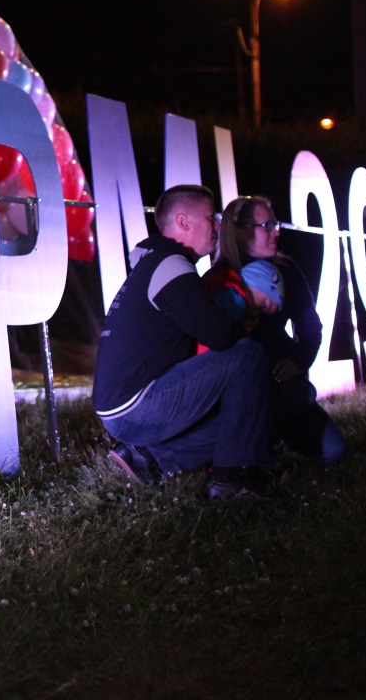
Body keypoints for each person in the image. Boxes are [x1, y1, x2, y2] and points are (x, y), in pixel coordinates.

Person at [92, 184, 271, 498]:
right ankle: (230, 480)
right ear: (184, 222)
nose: (217, 226)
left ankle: (149, 459)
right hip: (137, 407)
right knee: (247, 356)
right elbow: (220, 335)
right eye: (209, 217)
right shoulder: (171, 265)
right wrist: (248, 305)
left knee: (246, 416)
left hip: (120, 409)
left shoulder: (154, 264)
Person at [207, 196, 347, 464]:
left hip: (282, 381)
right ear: (241, 231)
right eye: (267, 225)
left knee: (334, 451)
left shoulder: (287, 270)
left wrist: (297, 361)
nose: (277, 231)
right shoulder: (219, 278)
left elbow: (310, 327)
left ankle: (278, 431)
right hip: (240, 394)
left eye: (276, 223)